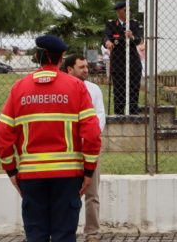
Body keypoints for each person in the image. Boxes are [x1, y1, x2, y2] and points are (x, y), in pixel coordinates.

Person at [0, 35, 102, 242]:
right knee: (64, 235)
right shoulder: (77, 87)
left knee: (36, 235)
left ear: (37, 56)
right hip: (68, 176)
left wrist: (11, 171)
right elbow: (92, 134)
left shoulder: (19, 88)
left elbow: (2, 136)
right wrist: (89, 170)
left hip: (31, 177)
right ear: (62, 59)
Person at [62, 54, 108, 242]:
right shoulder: (62, 89)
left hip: (89, 148)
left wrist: (88, 137)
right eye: (81, 67)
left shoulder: (94, 89)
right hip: (67, 150)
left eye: (86, 66)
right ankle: (65, 232)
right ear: (69, 69)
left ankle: (92, 233)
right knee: (65, 194)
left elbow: (99, 116)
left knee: (92, 194)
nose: (86, 70)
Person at [103, 0, 143, 115]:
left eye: (129, 10)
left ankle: (133, 114)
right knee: (119, 91)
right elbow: (105, 36)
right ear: (118, 12)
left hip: (133, 62)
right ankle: (119, 115)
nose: (128, 12)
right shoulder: (111, 24)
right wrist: (107, 42)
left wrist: (132, 36)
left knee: (134, 90)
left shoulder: (134, 24)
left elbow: (139, 40)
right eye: (125, 10)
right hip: (118, 62)